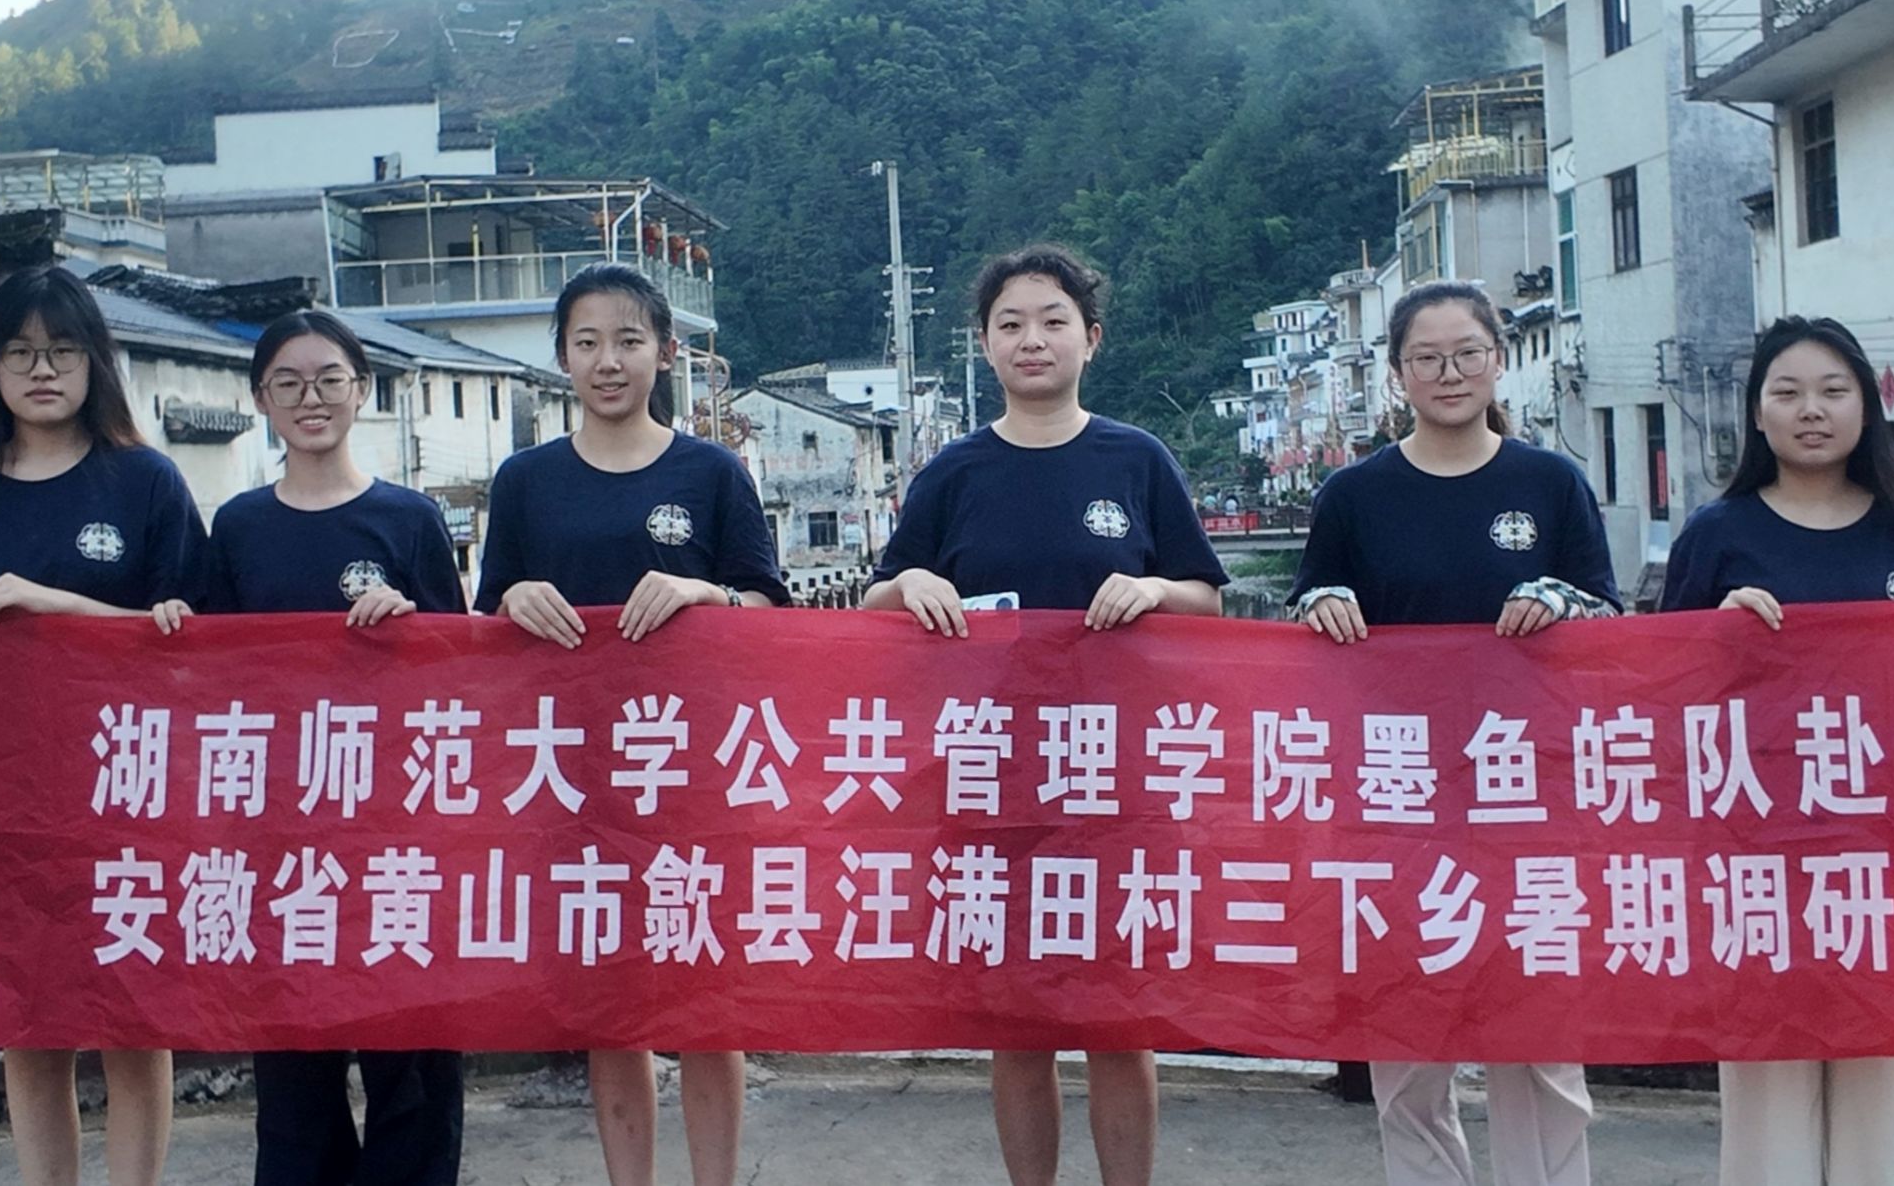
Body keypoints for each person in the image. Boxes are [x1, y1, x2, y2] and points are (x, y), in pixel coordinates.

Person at [864, 243, 1228, 1186]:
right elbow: (875, 603)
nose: (1033, 339)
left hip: (1115, 778)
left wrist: (1154, 592)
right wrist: (908, 584)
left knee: (1119, 1021)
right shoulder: (953, 473)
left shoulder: (1136, 460)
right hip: (991, 780)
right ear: (985, 345)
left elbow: (1206, 598)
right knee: (1017, 1023)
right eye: (1011, 324)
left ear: (1091, 338)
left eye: (1053, 321)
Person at [1288, 279, 1619, 1186]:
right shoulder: (1353, 495)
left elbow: (1610, 618)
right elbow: (1309, 616)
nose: (1448, 372)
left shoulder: (1550, 483)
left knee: (1540, 1040)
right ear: (1397, 374)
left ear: (1497, 360)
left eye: (1467, 352)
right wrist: (1322, 606)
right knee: (1408, 1040)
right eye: (1426, 358)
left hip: (1527, 792)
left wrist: (1563, 603)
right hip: (1398, 795)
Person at [474, 262, 787, 1186]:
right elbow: (485, 621)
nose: (608, 361)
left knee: (706, 1001)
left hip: (696, 772)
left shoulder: (712, 472)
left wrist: (707, 593)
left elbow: (772, 613)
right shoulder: (525, 480)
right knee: (611, 1005)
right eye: (587, 343)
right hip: (573, 775)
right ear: (562, 358)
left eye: (628, 340)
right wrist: (514, 601)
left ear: (666, 353)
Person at [156, 311, 468, 1186]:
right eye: (287, 383)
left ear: (361, 390)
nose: (311, 398)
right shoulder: (239, 525)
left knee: (411, 1059)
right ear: (260, 400)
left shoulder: (410, 520)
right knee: (295, 1065)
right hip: (279, 833)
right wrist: (175, 624)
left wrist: (412, 624)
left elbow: (466, 674)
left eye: (330, 378)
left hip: (394, 834)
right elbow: (212, 675)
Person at [0, 265, 209, 1186]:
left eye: (62, 351)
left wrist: (54, 603)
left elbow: (198, 648)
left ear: (96, 362)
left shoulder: (146, 482)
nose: (42, 370)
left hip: (129, 788)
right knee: (26, 1020)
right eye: (19, 352)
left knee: (133, 1018)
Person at [1661, 315, 1894, 1186]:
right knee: (1769, 1122)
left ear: (1867, 405)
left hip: (1892, 865)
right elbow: (1658, 698)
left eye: (1834, 391)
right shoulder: (1717, 535)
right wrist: (1714, 639)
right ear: (1757, 414)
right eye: (1787, 393)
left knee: (1888, 1117)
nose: (1812, 411)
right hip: (1761, 865)